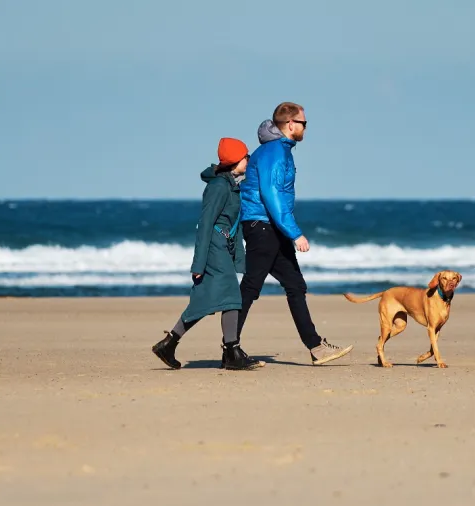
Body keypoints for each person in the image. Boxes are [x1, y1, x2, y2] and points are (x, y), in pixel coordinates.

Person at [237, 101, 353, 365]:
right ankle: (229, 347)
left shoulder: (281, 150)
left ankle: (316, 347)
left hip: (271, 226)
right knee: (250, 288)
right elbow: (272, 195)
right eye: (304, 123)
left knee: (295, 285)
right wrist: (294, 233)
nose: (305, 127)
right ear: (290, 124)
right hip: (262, 225)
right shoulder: (274, 152)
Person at [151, 137, 264, 371]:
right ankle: (232, 351)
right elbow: (205, 224)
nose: (248, 160)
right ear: (235, 160)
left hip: (222, 246)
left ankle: (169, 343)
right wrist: (198, 264)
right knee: (232, 296)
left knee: (205, 299)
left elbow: (232, 223)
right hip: (213, 247)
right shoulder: (218, 186)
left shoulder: (231, 184)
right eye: (245, 156)